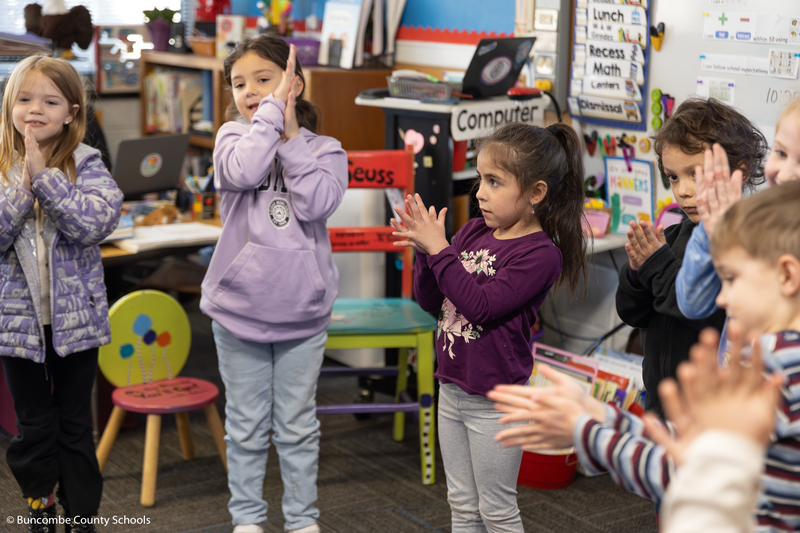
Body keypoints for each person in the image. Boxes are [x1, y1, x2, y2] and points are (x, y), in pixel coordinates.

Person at [491, 180, 800, 531]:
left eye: (730, 279)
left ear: (787, 275)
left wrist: (586, 429)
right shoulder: (778, 353)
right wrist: (602, 417)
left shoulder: (777, 365)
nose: (723, 299)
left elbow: (685, 474)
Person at [391, 121, 588, 532]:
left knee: (496, 510)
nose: (479, 191)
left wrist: (440, 248)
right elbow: (432, 302)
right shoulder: (475, 230)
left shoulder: (539, 255)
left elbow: (480, 307)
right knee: (461, 505)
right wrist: (428, 254)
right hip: (452, 387)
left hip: (495, 403)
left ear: (536, 193)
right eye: (480, 178)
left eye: (494, 181)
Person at [199, 35, 347, 533]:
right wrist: (268, 116)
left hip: (302, 314)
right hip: (238, 311)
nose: (250, 91)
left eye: (265, 79)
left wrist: (291, 136)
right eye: (240, 84)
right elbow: (242, 171)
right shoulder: (230, 138)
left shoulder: (327, 150)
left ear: (294, 83)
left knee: (298, 427)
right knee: (244, 427)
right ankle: (247, 520)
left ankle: (302, 520)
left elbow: (316, 205)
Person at [0, 55, 123, 533]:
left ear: (72, 112)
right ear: (9, 104)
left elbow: (92, 224)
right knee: (33, 426)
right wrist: (22, 184)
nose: (36, 109)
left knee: (74, 425)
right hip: (15, 323)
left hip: (77, 322)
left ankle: (81, 516)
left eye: (50, 101)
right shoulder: (3, 167)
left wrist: (46, 179)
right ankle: (39, 505)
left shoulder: (87, 164)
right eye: (25, 99)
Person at [615, 97, 766, 416]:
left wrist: (657, 267)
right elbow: (633, 314)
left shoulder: (748, 248)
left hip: (710, 413)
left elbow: (701, 313)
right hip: (660, 404)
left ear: (738, 171)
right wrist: (636, 273)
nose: (682, 190)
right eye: (673, 177)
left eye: (696, 174)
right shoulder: (672, 237)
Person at [677, 96, 800, 354]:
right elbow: (692, 303)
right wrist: (715, 235)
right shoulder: (754, 222)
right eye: (781, 153)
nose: (786, 174)